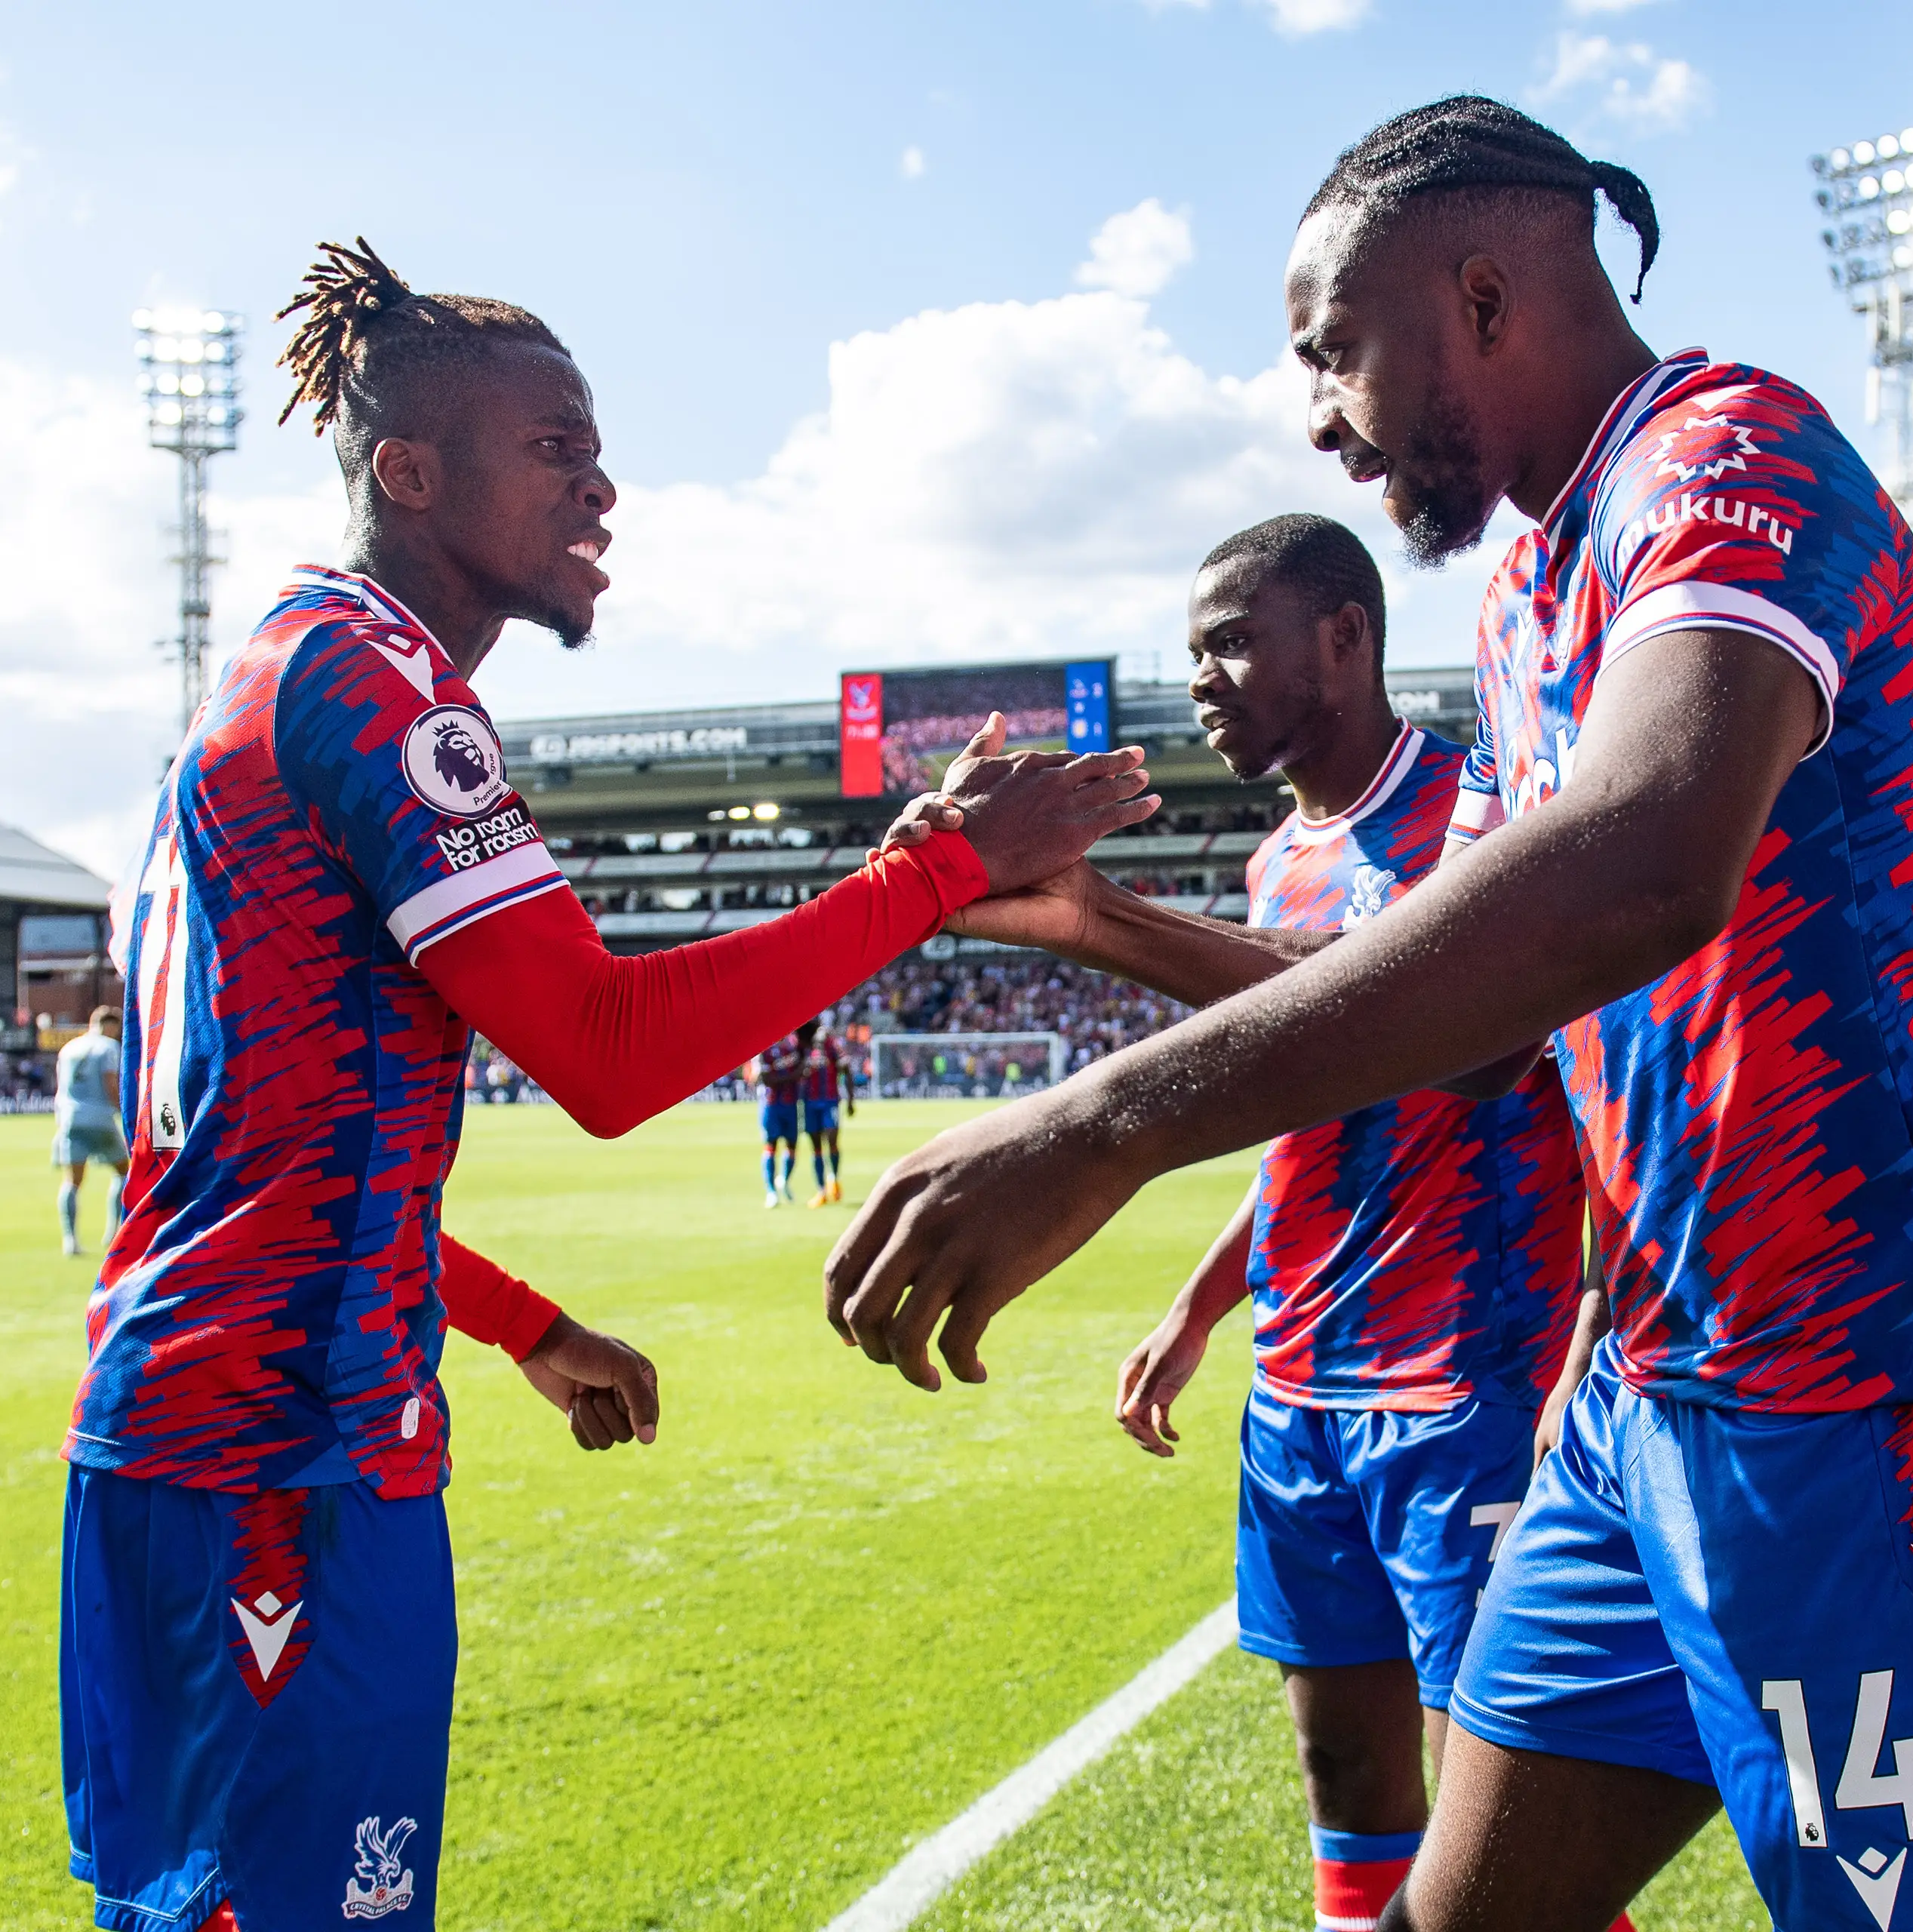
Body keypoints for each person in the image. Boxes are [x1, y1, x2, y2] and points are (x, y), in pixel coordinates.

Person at [832, 100, 1913, 1932]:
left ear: (1479, 292)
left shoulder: (1726, 458)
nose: (1312, 414)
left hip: (1884, 1395)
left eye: (1330, 350)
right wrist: (1100, 923)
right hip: (1653, 1391)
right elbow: (1511, 1009)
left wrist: (1103, 1117)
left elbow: (1643, 860)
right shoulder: (1533, 584)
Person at [64, 238, 1155, 1932]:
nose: (604, 482)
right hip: (285, 1454)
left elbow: (259, 1166)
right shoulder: (374, 685)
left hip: (196, 1436)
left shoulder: (261, 681)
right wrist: (934, 873)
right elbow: (607, 1052)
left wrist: (515, 1321)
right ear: (410, 473)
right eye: (556, 446)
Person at [980, 513, 1585, 1932]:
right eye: (1193, 652)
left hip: (1467, 1374)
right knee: (1341, 1767)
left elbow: (1455, 1032)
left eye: (1233, 641)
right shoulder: (1277, 865)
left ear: (1348, 638)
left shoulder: (1479, 811)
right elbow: (1313, 1110)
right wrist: (1203, 1307)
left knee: (1498, 1825)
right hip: (1306, 1383)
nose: (1204, 677)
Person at [53, 1007, 128, 1258]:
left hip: (70, 1118)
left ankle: (70, 1239)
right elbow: (110, 1082)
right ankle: (113, 1232)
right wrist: (123, 1111)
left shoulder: (69, 1048)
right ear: (110, 1026)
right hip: (99, 1118)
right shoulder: (108, 1047)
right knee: (123, 1171)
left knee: (72, 1181)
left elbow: (60, 1087)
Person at [797, 1018, 855, 1205]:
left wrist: (850, 1100)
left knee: (832, 1140)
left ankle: (833, 1180)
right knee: (816, 1146)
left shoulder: (830, 1045)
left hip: (830, 1101)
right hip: (809, 1102)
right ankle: (821, 1190)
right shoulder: (802, 1048)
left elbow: (846, 1067)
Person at [752, 1027, 807, 1207]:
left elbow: (803, 1069)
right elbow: (767, 1080)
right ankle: (771, 1192)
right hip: (771, 1104)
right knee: (771, 1145)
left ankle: (783, 1180)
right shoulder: (763, 1049)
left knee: (792, 1145)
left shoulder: (793, 1046)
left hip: (791, 1104)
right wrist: (793, 1077)